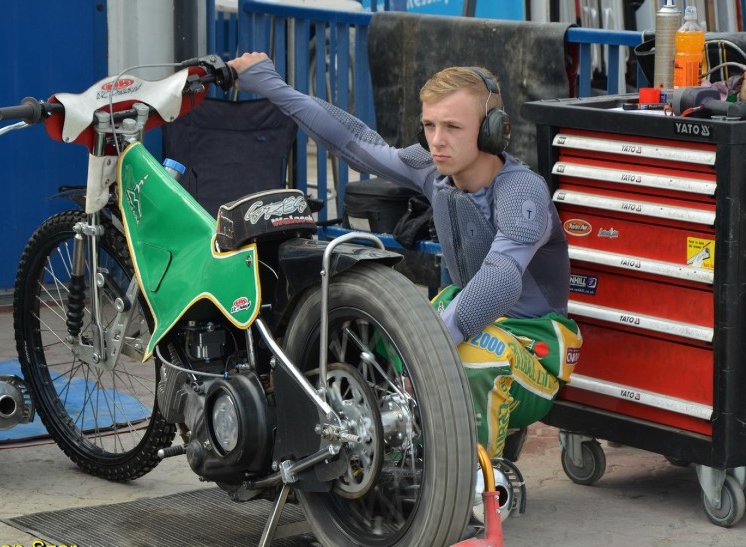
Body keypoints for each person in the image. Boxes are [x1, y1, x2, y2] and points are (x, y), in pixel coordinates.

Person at [227, 52, 582, 460]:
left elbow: (501, 280)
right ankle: (389, 465)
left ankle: (476, 486)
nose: (437, 140)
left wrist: (431, 344)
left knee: (474, 362)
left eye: (452, 127)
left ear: (493, 132)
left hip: (534, 341)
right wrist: (269, 82)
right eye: (429, 125)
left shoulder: (522, 190)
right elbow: (354, 141)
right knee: (358, 340)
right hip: (462, 317)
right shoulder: (432, 169)